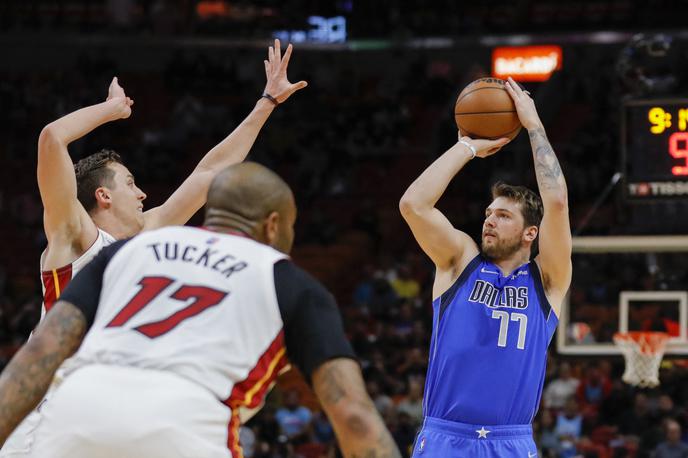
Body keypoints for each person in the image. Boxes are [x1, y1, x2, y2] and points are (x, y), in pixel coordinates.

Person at [0, 39, 307, 457]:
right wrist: (111, 110)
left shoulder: (146, 239)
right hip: (51, 417)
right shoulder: (75, 237)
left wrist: (267, 102)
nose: (143, 193)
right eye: (130, 183)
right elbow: (52, 138)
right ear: (103, 196)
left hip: (113, 416)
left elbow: (212, 171)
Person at [0, 162, 401, 458]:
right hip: (183, 426)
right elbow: (353, 416)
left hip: (73, 417)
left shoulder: (127, 252)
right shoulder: (291, 282)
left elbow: (37, 355)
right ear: (274, 225)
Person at [399, 77, 572, 457]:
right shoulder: (459, 260)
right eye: (489, 213)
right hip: (445, 436)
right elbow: (413, 205)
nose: (489, 220)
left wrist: (534, 127)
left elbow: (556, 203)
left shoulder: (547, 280)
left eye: (504, 215)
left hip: (510, 441)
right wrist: (465, 147)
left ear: (531, 233)